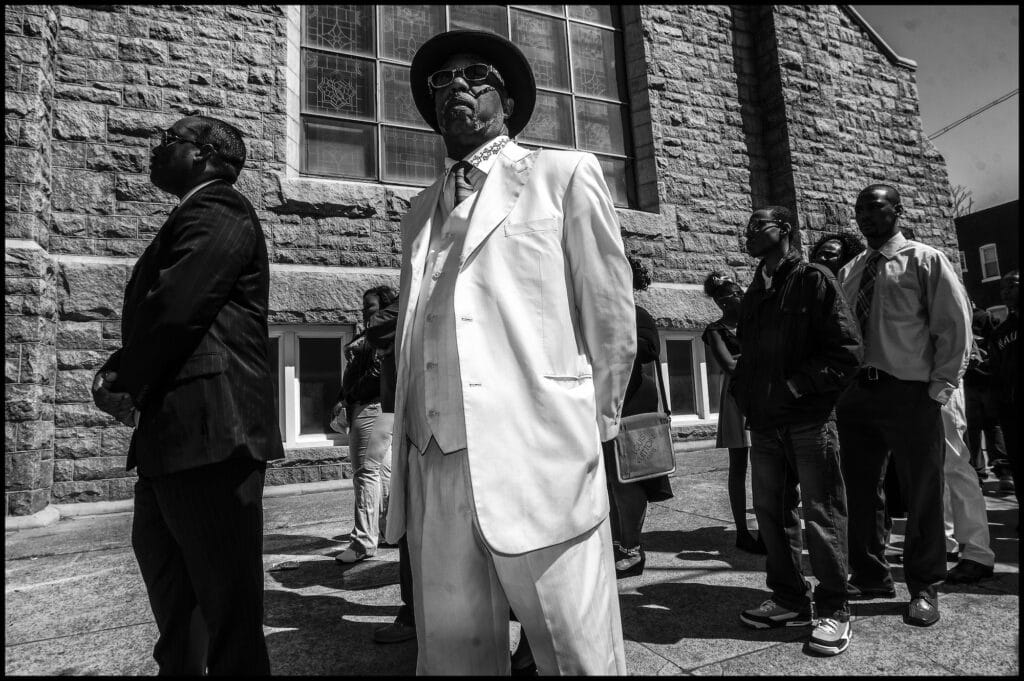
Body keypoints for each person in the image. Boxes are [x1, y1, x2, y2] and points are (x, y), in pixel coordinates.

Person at [383, 29, 634, 675]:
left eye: (475, 75)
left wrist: (588, 429)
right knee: (453, 656)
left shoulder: (562, 176)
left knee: (577, 653)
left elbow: (609, 319)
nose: (455, 86)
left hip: (541, 457)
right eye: (442, 81)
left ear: (510, 101)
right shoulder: (417, 213)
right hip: (435, 461)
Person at [91, 116, 283, 674]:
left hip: (212, 439)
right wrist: (122, 372)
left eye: (168, 140)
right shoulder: (190, 214)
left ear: (206, 155)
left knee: (228, 612)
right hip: (171, 444)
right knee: (177, 603)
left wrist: (121, 379)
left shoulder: (220, 207)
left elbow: (177, 306)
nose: (154, 150)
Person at [836, 183, 971, 627]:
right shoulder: (853, 268)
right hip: (859, 394)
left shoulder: (925, 259)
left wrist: (940, 388)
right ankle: (871, 575)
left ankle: (924, 585)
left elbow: (953, 326)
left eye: (875, 208)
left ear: (898, 210)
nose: (865, 217)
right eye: (859, 210)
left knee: (922, 492)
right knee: (860, 490)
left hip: (910, 392)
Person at [731, 206, 862, 656]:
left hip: (809, 422)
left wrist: (794, 385)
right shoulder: (756, 288)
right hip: (766, 424)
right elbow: (749, 354)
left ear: (784, 230)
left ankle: (835, 608)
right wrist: (744, 394)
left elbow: (846, 352)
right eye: (747, 228)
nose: (748, 233)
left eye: (757, 227)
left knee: (822, 515)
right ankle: (790, 599)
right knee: (770, 513)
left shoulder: (814, 280)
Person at [602, 256, 675, 578]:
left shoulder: (636, 313)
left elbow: (647, 350)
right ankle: (619, 544)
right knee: (608, 483)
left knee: (626, 481)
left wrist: (613, 327)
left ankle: (632, 549)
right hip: (602, 407)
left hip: (631, 405)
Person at [701, 271, 764, 555]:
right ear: (720, 302)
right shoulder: (715, 331)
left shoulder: (756, 322)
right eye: (728, 296)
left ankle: (768, 528)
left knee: (767, 466)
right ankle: (742, 531)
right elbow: (728, 366)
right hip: (737, 398)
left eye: (739, 292)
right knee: (739, 465)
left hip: (763, 393)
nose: (737, 298)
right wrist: (760, 359)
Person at [336, 285, 399, 564]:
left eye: (369, 307)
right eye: (363, 308)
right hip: (377, 407)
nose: (364, 313)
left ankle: (363, 541)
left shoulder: (378, 333)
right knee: (382, 470)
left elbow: (375, 373)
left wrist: (350, 396)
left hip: (371, 407)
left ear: (384, 307)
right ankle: (387, 531)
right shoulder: (369, 335)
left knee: (365, 471)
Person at [941, 385, 996, 583]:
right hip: (923, 385)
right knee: (938, 470)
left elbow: (958, 354)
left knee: (955, 467)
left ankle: (978, 553)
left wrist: (943, 384)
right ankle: (945, 542)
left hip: (941, 387)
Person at [963, 308, 1007, 485]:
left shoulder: (979, 316)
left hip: (977, 381)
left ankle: (981, 472)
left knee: (979, 428)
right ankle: (1000, 472)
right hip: (979, 381)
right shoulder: (983, 316)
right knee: (988, 427)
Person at [988, 270, 1019, 509]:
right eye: (1003, 289)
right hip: (1011, 405)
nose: (1006, 292)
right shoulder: (1001, 332)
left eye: (1012, 286)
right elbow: (997, 369)